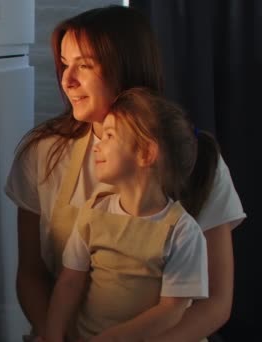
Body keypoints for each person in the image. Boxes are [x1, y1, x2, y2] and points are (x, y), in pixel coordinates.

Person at [4, 5, 246, 342]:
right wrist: (52, 335)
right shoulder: (43, 155)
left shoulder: (198, 158)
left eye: (84, 65)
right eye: (64, 63)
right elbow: (31, 274)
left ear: (126, 67)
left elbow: (217, 302)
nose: (66, 79)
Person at [45, 87, 212, 342]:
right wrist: (52, 336)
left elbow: (172, 309)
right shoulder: (93, 213)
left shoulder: (182, 232)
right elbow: (69, 281)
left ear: (146, 153)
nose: (98, 144)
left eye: (110, 135)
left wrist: (113, 339)